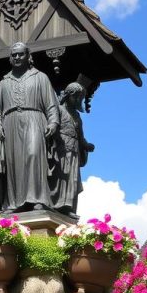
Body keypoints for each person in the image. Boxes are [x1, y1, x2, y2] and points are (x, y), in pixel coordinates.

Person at [0, 42, 59, 212]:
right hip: (10, 124)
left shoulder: (40, 77)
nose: (17, 57)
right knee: (14, 162)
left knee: (34, 155)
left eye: (21, 54)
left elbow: (51, 104)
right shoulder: (3, 82)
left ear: (29, 56)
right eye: (14, 55)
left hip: (34, 119)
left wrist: (53, 122)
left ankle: (37, 199)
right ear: (10, 58)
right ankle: (14, 203)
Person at [49, 82, 94, 217]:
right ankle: (56, 204)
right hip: (60, 149)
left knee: (72, 180)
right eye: (77, 97)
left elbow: (80, 136)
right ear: (69, 95)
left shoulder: (77, 116)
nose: (78, 100)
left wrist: (86, 145)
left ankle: (68, 207)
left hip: (74, 151)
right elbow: (53, 127)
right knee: (60, 177)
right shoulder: (59, 110)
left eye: (80, 98)